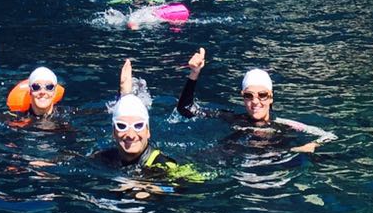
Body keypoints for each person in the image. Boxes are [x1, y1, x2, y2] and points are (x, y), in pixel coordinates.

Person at [175, 50, 335, 153]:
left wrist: (306, 147)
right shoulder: (232, 118)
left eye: (262, 95)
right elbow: (186, 109)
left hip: (275, 171)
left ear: (271, 96)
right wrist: (194, 73)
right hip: (238, 172)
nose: (255, 101)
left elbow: (328, 136)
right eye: (249, 95)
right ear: (242, 96)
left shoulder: (285, 125)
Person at [93, 68, 205, 186]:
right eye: (122, 126)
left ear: (148, 131)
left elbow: (185, 187)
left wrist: (149, 189)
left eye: (138, 126)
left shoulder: (164, 166)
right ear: (113, 133)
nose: (131, 135)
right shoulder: (105, 158)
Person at [0, 48, 69, 128]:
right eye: (36, 87)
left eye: (49, 87)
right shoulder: (16, 118)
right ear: (30, 91)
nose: (42, 91)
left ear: (55, 91)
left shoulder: (66, 115)